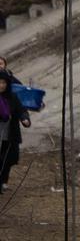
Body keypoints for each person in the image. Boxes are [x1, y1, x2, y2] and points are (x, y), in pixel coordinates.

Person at [1, 56, 32, 196]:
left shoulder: (12, 96)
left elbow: (21, 110)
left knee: (10, 158)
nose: (1, 85)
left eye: (3, 83)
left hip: (10, 132)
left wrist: (25, 119)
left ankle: (3, 181)